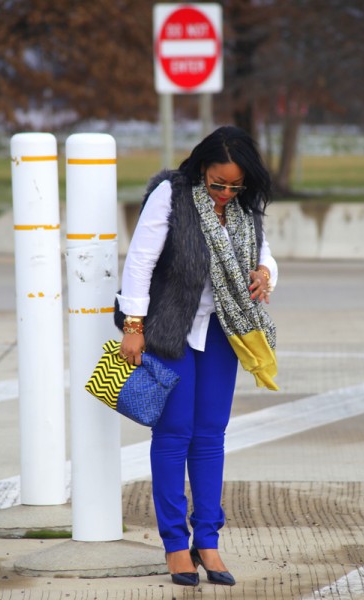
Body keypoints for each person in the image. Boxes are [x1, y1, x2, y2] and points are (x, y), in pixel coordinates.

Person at [116, 125, 278, 587]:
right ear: (201, 168)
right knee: (173, 434)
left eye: (235, 185)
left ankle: (207, 542)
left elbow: (265, 254)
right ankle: (173, 545)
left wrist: (265, 273)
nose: (226, 193)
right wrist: (133, 325)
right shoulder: (171, 194)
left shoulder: (245, 208)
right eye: (217, 183)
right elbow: (140, 262)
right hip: (169, 333)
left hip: (223, 335)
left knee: (210, 437)